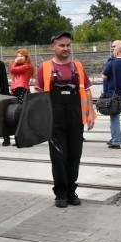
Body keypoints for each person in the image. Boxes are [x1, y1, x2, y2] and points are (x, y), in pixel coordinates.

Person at [35, 32, 96, 208]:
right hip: (54, 119)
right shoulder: (45, 68)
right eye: (61, 45)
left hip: (76, 118)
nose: (66, 48)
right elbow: (39, 93)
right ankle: (60, 193)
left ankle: (71, 191)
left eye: (68, 45)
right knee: (58, 156)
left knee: (74, 155)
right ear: (52, 46)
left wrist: (90, 113)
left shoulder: (77, 66)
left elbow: (88, 91)